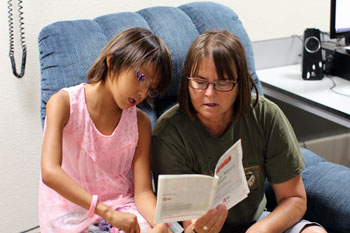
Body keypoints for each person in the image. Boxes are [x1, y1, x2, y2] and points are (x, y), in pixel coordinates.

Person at [151, 30, 327, 233]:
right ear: (187, 82)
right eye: (200, 82)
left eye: (222, 83)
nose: (209, 93)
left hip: (258, 223)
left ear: (240, 84)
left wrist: (259, 231)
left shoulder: (265, 115)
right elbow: (190, 224)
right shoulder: (169, 134)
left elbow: (294, 199)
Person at [39, 27, 172, 233]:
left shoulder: (141, 122)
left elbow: (143, 192)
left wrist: (162, 224)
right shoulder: (63, 104)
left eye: (150, 88)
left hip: (124, 210)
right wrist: (106, 212)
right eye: (141, 78)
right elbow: (49, 172)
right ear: (112, 62)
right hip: (72, 215)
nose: (143, 92)